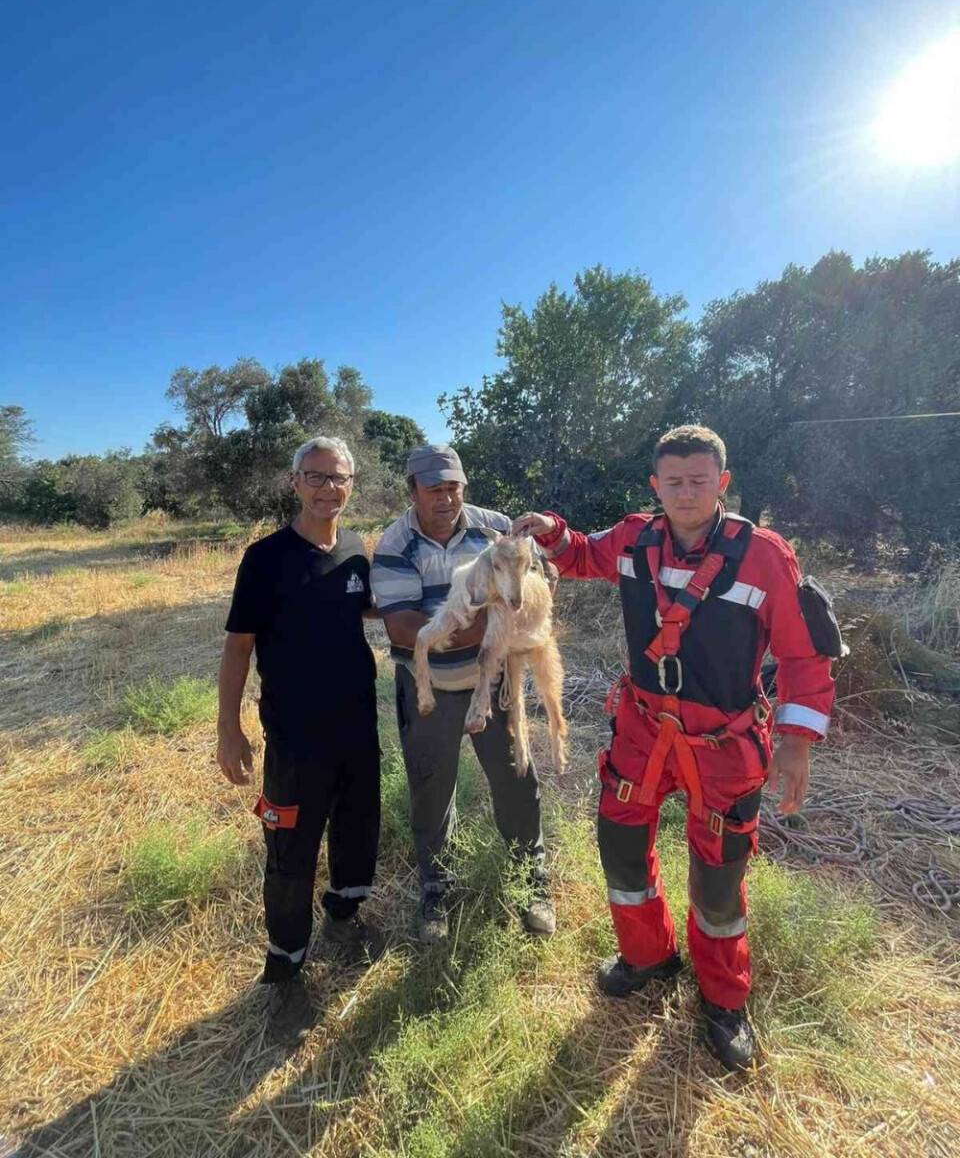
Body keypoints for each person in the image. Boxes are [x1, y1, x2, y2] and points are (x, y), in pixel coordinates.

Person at [513, 425, 842, 1071]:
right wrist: (551, 531)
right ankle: (647, 957)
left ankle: (723, 1000)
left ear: (721, 483)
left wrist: (797, 742)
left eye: (699, 481)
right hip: (641, 729)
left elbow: (805, 655)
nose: (686, 493)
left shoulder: (765, 556)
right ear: (655, 486)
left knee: (719, 886)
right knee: (621, 849)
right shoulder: (636, 535)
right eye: (673, 482)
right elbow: (584, 556)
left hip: (723, 743)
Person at [216, 435, 383, 1044]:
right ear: (295, 484)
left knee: (359, 820)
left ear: (351, 485)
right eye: (315, 477)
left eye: (338, 478)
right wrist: (229, 728)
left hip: (357, 721)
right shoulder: (265, 559)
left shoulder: (359, 551)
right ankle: (286, 962)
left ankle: (344, 912)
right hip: (293, 732)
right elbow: (238, 646)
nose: (327, 488)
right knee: (289, 846)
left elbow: (367, 611)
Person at [371, 444, 556, 944]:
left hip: (493, 680)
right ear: (412, 491)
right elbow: (405, 628)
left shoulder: (495, 529)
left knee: (516, 775)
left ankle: (531, 881)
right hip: (431, 684)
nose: (446, 498)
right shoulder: (394, 544)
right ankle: (437, 886)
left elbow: (535, 583)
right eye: (434, 489)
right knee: (432, 786)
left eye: (453, 486)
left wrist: (514, 609)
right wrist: (490, 625)